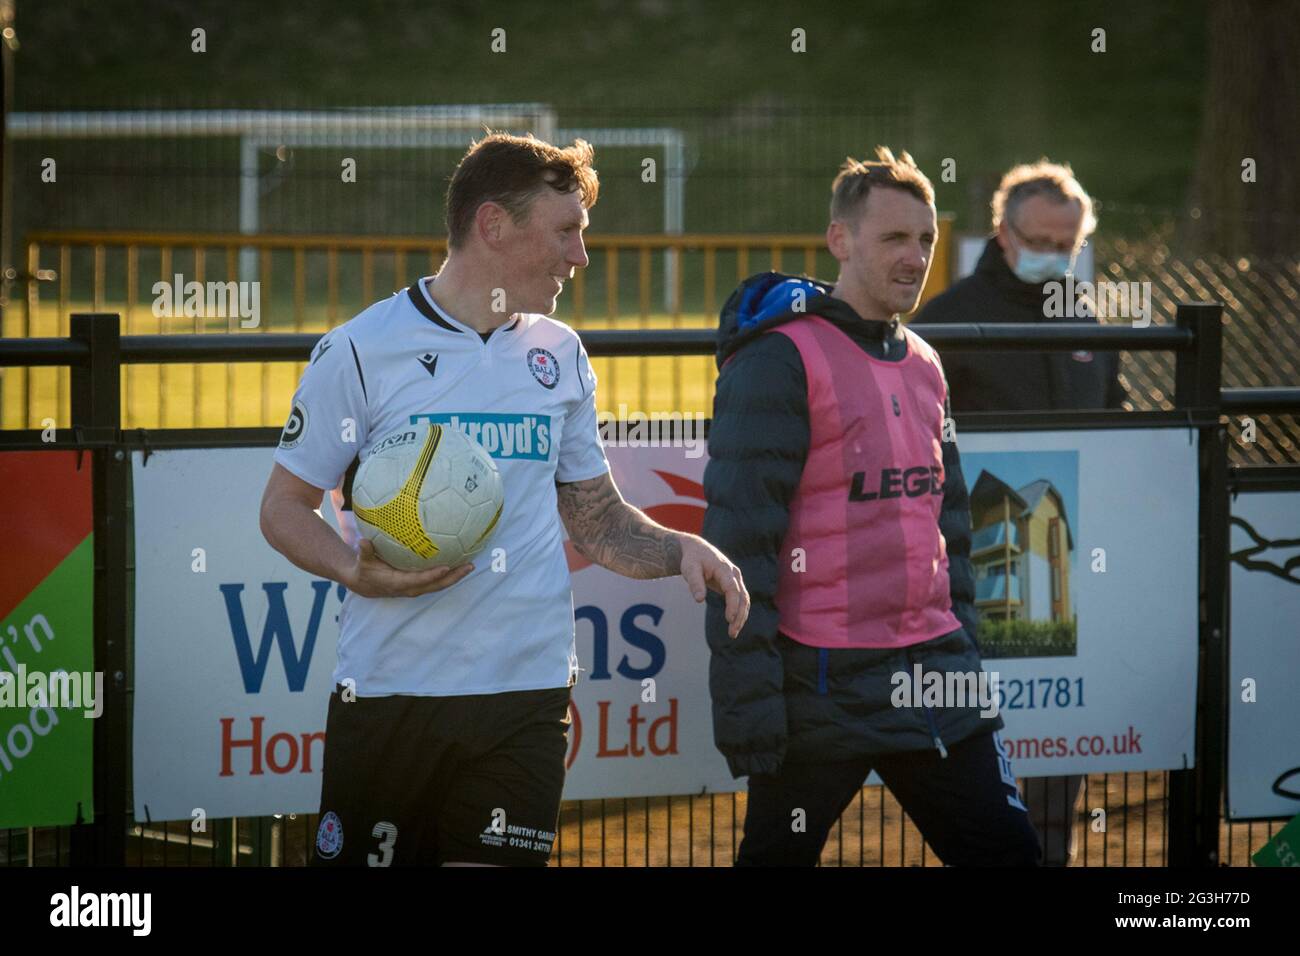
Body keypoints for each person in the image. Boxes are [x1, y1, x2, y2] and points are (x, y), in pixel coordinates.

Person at [259, 132, 749, 867]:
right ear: (493, 224)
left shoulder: (560, 354)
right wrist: (354, 569)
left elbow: (596, 518)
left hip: (526, 692)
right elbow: (283, 508)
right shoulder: (362, 350)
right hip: (393, 693)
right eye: (566, 233)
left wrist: (684, 548)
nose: (580, 257)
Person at [703, 147, 1041, 867]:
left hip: (935, 676)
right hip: (819, 688)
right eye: (894, 238)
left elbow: (949, 523)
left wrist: (965, 650)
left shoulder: (924, 360)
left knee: (1008, 855)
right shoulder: (778, 359)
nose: (916, 257)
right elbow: (741, 546)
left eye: (926, 240)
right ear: (840, 240)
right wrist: (752, 710)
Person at [913, 160, 1123, 865]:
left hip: (1067, 562)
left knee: (1062, 731)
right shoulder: (945, 321)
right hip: (968, 572)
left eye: (1067, 244)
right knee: (981, 732)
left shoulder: (1091, 321)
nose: (1053, 255)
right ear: (1002, 233)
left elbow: (1118, 428)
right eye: (1039, 238)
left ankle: (1051, 852)